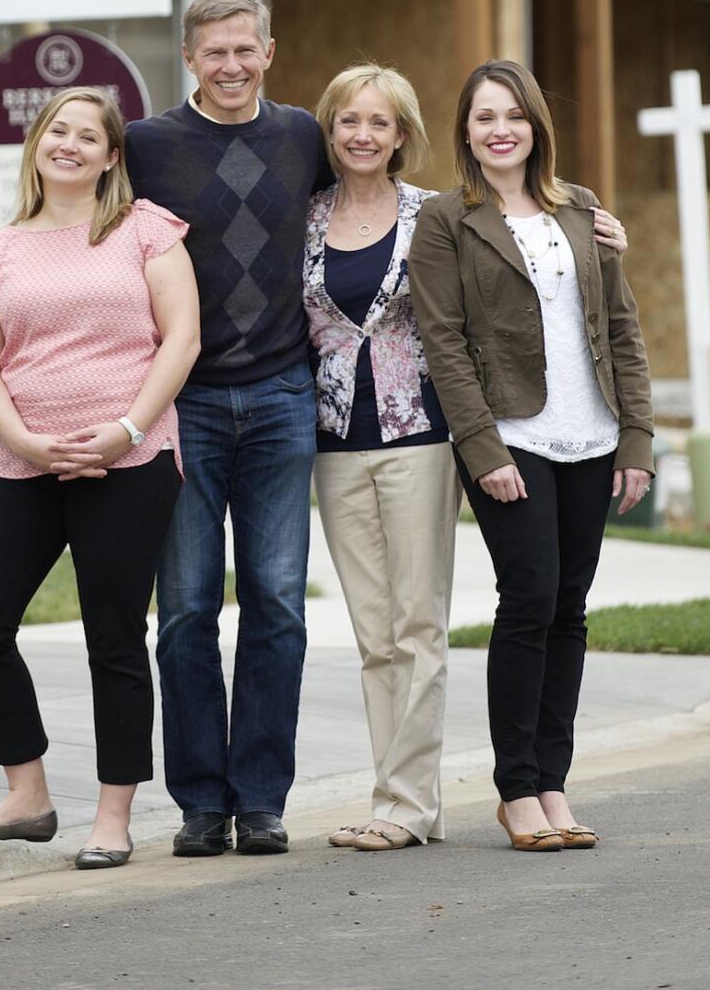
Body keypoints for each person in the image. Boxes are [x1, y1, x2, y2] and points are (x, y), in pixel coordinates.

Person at [0, 0, 331, 860]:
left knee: (268, 606)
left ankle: (250, 802)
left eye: (246, 50)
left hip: (237, 407)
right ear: (189, 58)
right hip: (131, 425)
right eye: (214, 52)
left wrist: (123, 429)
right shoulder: (141, 152)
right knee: (180, 613)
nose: (231, 66)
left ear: (269, 50)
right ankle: (172, 803)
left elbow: (375, 192)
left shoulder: (299, 138)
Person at [0, 87, 199, 871]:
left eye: (90, 136)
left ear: (111, 156)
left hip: (129, 460)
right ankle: (27, 794)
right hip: (23, 459)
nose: (72, 145)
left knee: (114, 636)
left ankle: (113, 815)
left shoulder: (146, 231)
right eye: (60, 130)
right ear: (38, 144)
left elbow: (181, 339)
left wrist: (123, 431)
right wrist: (21, 439)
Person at [408, 60, 653, 854]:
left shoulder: (581, 209)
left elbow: (622, 329)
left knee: (570, 607)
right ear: (466, 130)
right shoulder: (447, 219)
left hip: (593, 432)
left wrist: (637, 440)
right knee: (530, 598)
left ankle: (554, 780)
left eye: (513, 114)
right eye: (484, 117)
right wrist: (481, 449)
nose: (500, 129)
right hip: (511, 436)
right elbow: (442, 343)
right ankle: (516, 787)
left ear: (536, 125)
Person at [303, 64, 457, 853]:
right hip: (333, 444)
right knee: (374, 635)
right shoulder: (305, 216)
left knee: (418, 624)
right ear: (330, 131)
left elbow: (520, 261)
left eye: (379, 122)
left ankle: (408, 805)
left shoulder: (436, 216)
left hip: (419, 437)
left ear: (402, 135)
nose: (362, 135)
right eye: (348, 121)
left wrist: (603, 227)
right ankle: (390, 796)